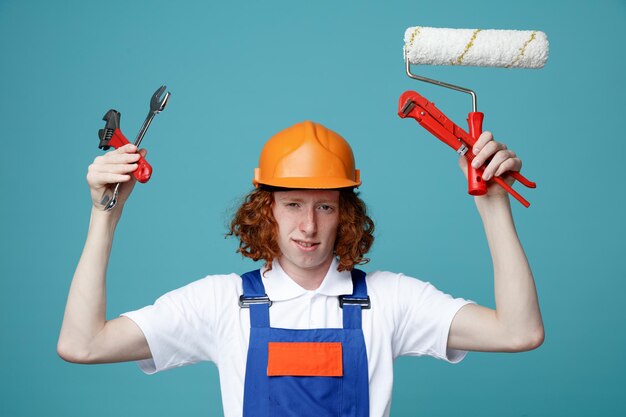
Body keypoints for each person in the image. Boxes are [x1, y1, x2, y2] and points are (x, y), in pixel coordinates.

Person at [58, 120, 543, 417]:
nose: (308, 225)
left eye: (325, 207)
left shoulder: (390, 300)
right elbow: (82, 344)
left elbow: (518, 332)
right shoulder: (221, 304)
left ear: (345, 214)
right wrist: (105, 215)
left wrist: (494, 204)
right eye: (292, 204)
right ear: (265, 208)